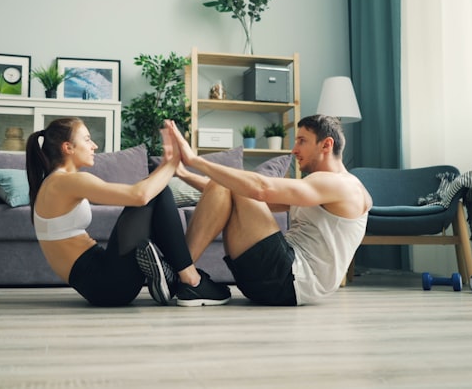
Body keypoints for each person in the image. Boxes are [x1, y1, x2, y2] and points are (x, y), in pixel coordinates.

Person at [167, 115, 372, 306]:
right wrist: (183, 173)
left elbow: (261, 189)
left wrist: (196, 161)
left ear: (326, 144)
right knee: (230, 184)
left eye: (302, 141)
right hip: (281, 281)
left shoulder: (342, 185)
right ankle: (183, 274)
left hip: (292, 281)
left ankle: (180, 273)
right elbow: (224, 195)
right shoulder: (321, 187)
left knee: (238, 184)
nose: (294, 150)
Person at [25, 117, 230, 307]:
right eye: (87, 139)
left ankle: (178, 276)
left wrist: (170, 165)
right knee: (153, 193)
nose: (94, 146)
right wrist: (174, 160)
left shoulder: (51, 182)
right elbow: (139, 196)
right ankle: (191, 281)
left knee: (153, 191)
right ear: (68, 147)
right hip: (108, 285)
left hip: (99, 284)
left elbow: (141, 194)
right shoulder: (68, 181)